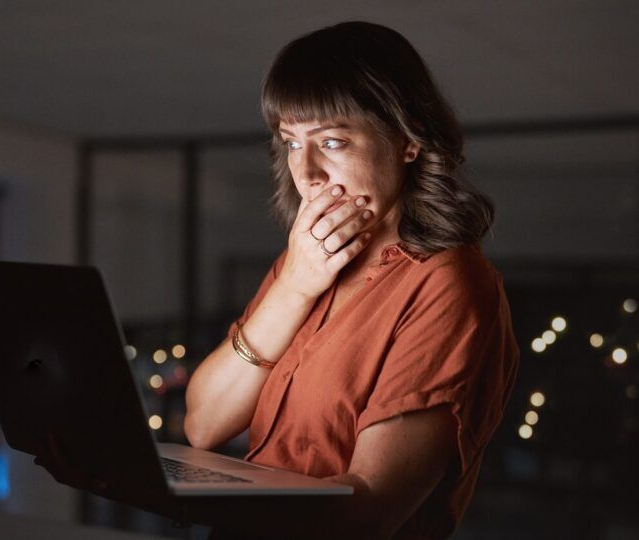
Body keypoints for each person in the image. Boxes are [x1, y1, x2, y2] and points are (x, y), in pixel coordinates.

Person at [184, 21, 520, 539]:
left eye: (333, 141)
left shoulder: (448, 284)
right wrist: (295, 286)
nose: (308, 173)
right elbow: (204, 425)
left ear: (408, 140)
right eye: (292, 143)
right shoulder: (304, 260)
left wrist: (174, 499)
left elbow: (369, 509)